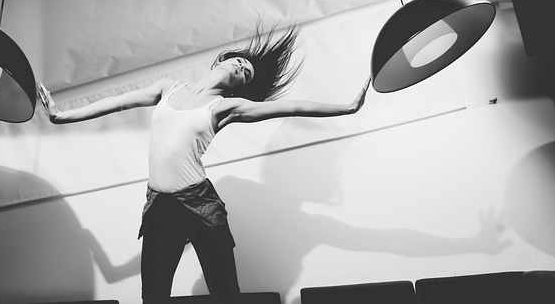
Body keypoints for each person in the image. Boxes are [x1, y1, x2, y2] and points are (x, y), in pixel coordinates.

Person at [38, 23, 371, 304]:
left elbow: (293, 107)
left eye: (247, 73)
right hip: (160, 205)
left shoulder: (224, 108)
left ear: (241, 88)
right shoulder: (168, 89)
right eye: (240, 61)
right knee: (153, 297)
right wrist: (62, 116)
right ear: (221, 60)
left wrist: (348, 108)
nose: (242, 67)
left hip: (201, 205)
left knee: (226, 294)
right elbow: (117, 103)